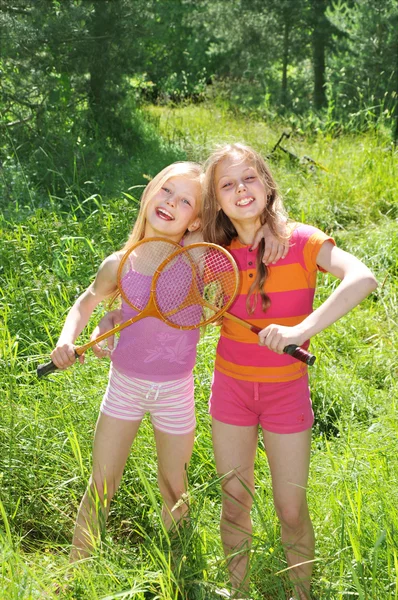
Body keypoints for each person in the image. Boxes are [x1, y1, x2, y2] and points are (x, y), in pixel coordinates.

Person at [50, 160, 286, 563]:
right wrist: (68, 338)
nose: (171, 203)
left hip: (175, 393)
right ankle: (77, 570)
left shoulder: (200, 260)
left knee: (174, 486)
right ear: (149, 194)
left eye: (185, 201)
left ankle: (179, 569)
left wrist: (271, 225)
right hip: (123, 388)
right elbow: (88, 302)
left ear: (196, 222)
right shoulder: (120, 262)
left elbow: (247, 244)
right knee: (102, 482)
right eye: (165, 191)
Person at [200, 143, 377, 600]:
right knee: (235, 503)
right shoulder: (214, 252)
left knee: (291, 510)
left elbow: (363, 278)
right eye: (227, 184)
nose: (240, 190)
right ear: (215, 199)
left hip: (286, 394)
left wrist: (302, 328)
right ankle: (237, 593)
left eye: (249, 178)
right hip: (231, 391)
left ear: (267, 184)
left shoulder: (300, 240)